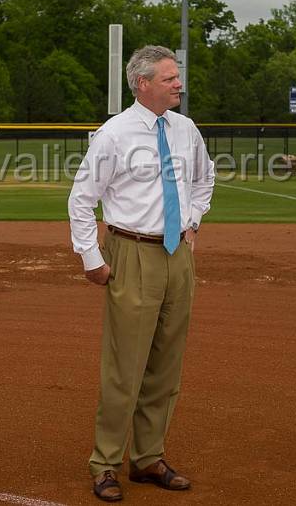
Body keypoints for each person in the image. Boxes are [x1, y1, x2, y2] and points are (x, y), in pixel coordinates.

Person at [68, 45, 215, 502]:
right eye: (170, 78)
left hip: (177, 256)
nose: (179, 84)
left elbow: (203, 179)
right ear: (143, 84)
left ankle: (148, 457)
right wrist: (92, 258)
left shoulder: (185, 129)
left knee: (165, 368)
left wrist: (191, 221)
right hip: (131, 252)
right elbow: (80, 199)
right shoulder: (114, 134)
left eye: (178, 76)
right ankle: (105, 463)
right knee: (125, 369)